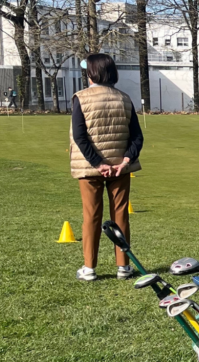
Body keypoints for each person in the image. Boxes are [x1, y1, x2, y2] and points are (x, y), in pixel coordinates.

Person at [70, 53, 143, 281]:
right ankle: (123, 266)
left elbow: (80, 136)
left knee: (91, 216)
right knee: (120, 215)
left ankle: (89, 268)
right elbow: (137, 137)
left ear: (92, 73)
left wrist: (98, 163)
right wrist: (126, 161)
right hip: (120, 168)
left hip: (90, 168)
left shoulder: (80, 98)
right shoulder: (124, 98)